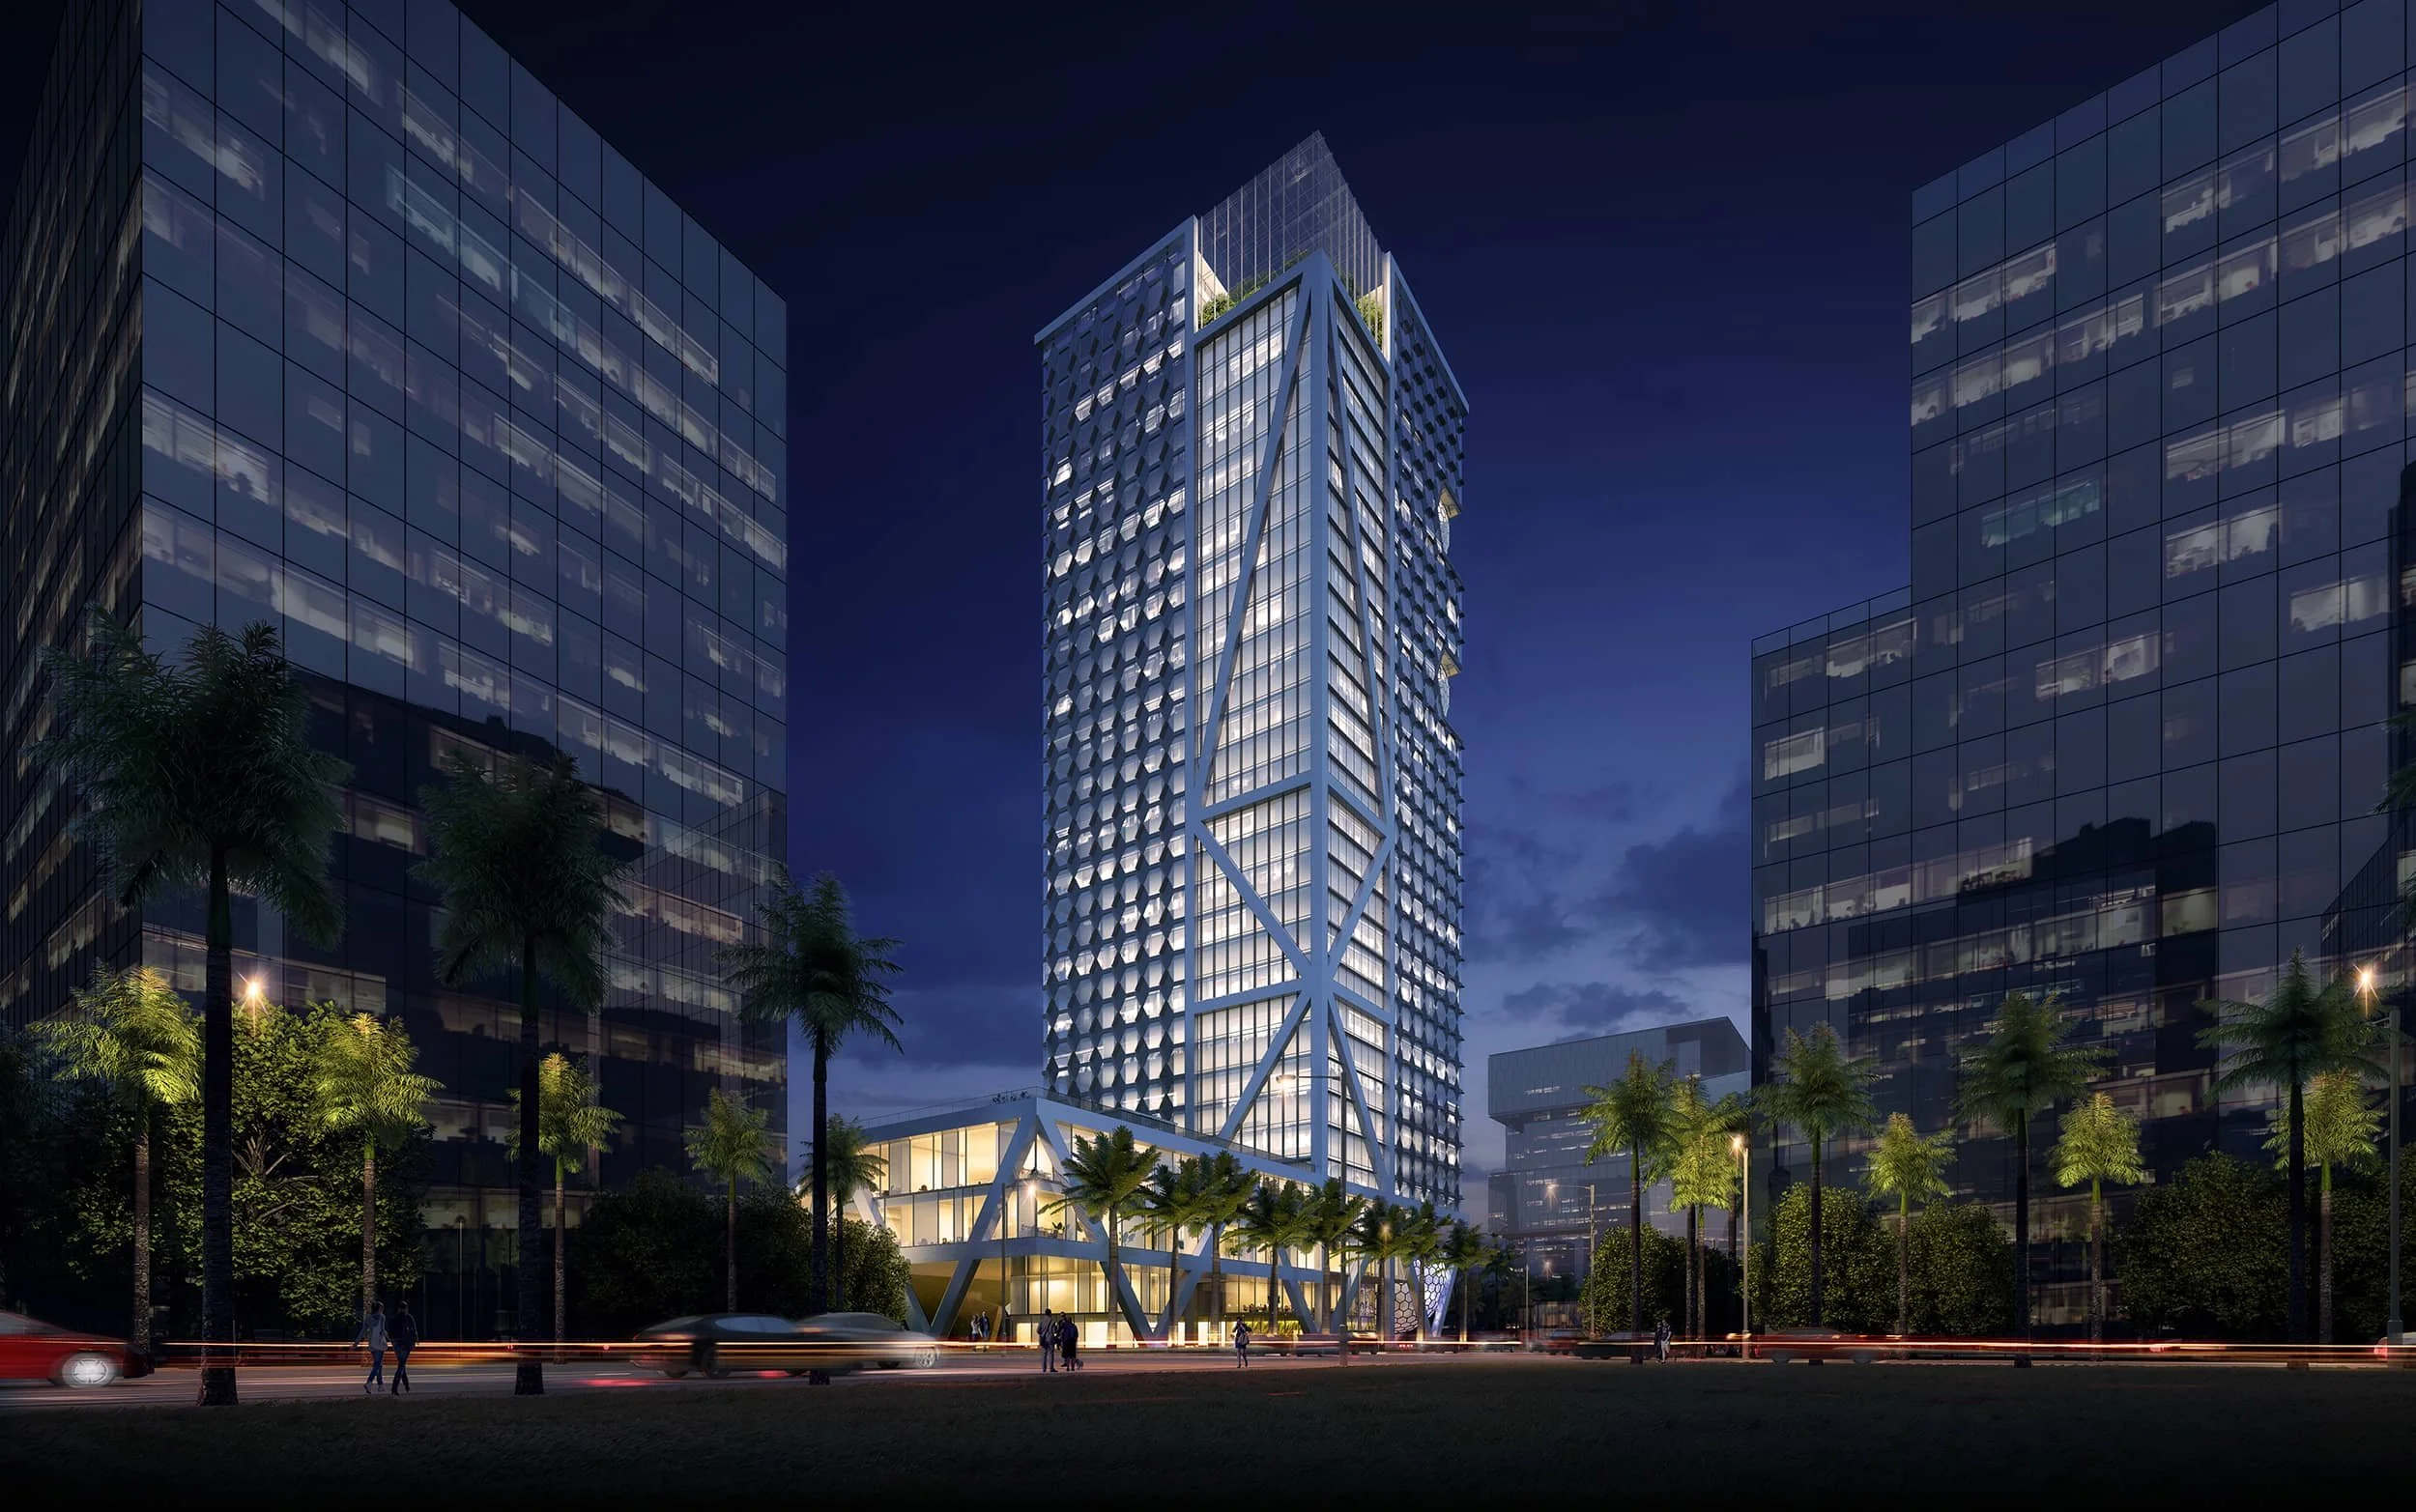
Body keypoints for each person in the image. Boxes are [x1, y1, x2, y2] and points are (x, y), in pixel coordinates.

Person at [353, 1300, 389, 1394]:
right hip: (380, 1344)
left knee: (379, 1364)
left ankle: (380, 1385)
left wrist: (356, 1343)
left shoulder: (368, 1318)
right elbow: (382, 1330)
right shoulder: (382, 1317)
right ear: (379, 1309)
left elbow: (362, 1332)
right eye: (382, 1308)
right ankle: (369, 1382)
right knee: (377, 1365)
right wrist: (389, 1338)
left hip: (372, 1344)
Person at [388, 1299, 417, 1394]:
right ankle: (395, 1387)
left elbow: (390, 1332)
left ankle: (405, 1385)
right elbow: (414, 1330)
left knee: (401, 1364)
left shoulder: (394, 1319)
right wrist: (414, 1341)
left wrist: (392, 1341)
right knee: (401, 1365)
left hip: (397, 1343)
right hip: (405, 1344)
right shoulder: (408, 1318)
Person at [1040, 1309, 1057, 1373]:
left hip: (1044, 1338)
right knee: (1051, 1353)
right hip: (1050, 1338)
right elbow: (1054, 1331)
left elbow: (1038, 1330)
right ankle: (1051, 1368)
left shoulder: (1042, 1321)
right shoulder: (1052, 1321)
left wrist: (1042, 1334)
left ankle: (1044, 1368)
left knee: (1044, 1353)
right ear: (1050, 1313)